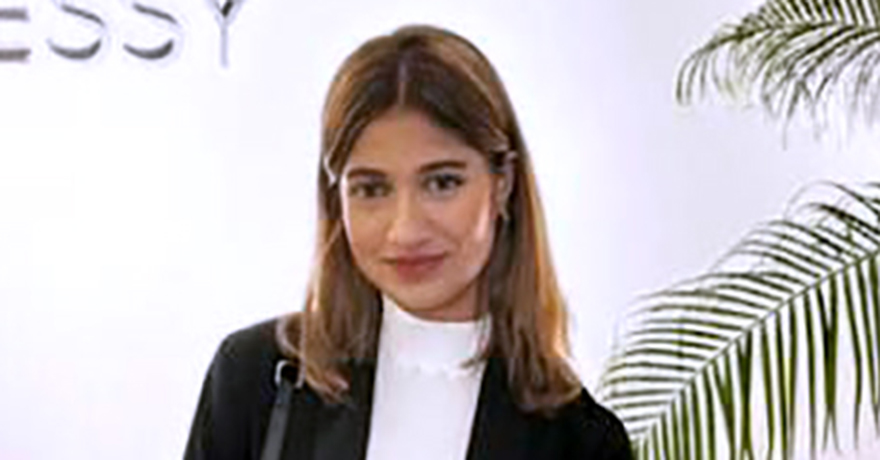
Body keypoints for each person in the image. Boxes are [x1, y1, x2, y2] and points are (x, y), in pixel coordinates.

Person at [184, 24, 632, 460]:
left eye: (442, 182)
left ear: (503, 183)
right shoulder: (254, 379)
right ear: (337, 199)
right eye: (372, 189)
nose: (406, 230)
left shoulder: (582, 443)